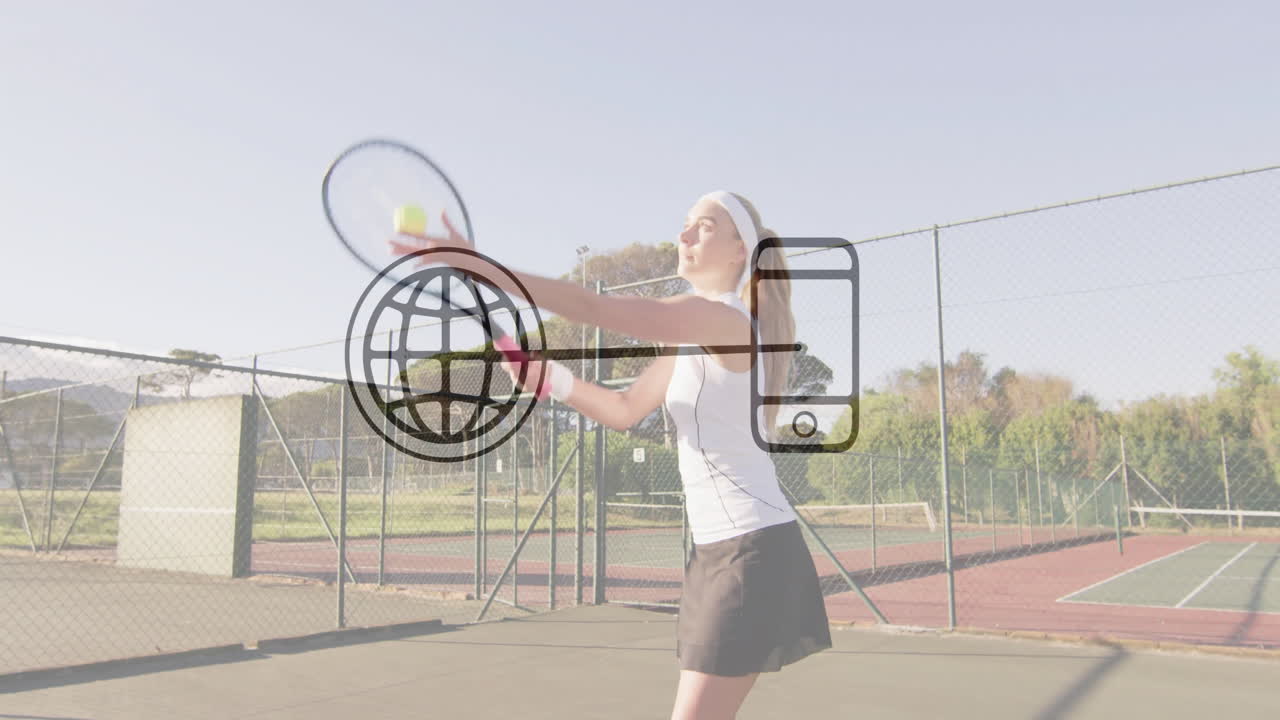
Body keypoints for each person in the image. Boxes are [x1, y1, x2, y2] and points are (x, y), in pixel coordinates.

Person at [397, 191, 831, 720]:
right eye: (685, 224)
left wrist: (482, 267)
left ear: (741, 249)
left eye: (704, 226)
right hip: (717, 551)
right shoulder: (695, 338)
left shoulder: (722, 319)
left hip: (750, 550)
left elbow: (598, 309)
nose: (684, 235)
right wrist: (551, 380)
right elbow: (625, 410)